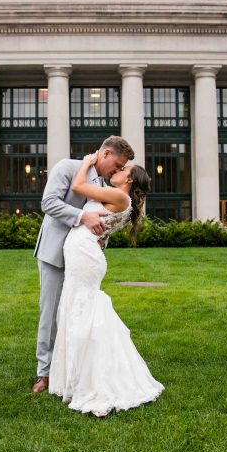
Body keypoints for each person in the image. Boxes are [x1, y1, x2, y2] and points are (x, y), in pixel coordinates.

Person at [48, 152, 163, 417]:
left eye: (124, 169)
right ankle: (77, 374)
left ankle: (92, 376)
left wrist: (88, 163)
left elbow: (78, 187)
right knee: (77, 309)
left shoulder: (120, 197)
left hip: (84, 256)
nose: (119, 170)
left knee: (84, 311)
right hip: (83, 253)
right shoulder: (115, 195)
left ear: (130, 179)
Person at [32, 136, 133, 393]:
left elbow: (104, 221)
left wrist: (99, 240)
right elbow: (48, 203)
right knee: (51, 312)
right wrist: (81, 216)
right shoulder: (67, 167)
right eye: (118, 164)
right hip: (55, 252)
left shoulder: (103, 183)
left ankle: (70, 368)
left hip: (81, 258)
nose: (118, 171)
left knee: (75, 311)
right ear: (106, 153)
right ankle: (44, 373)